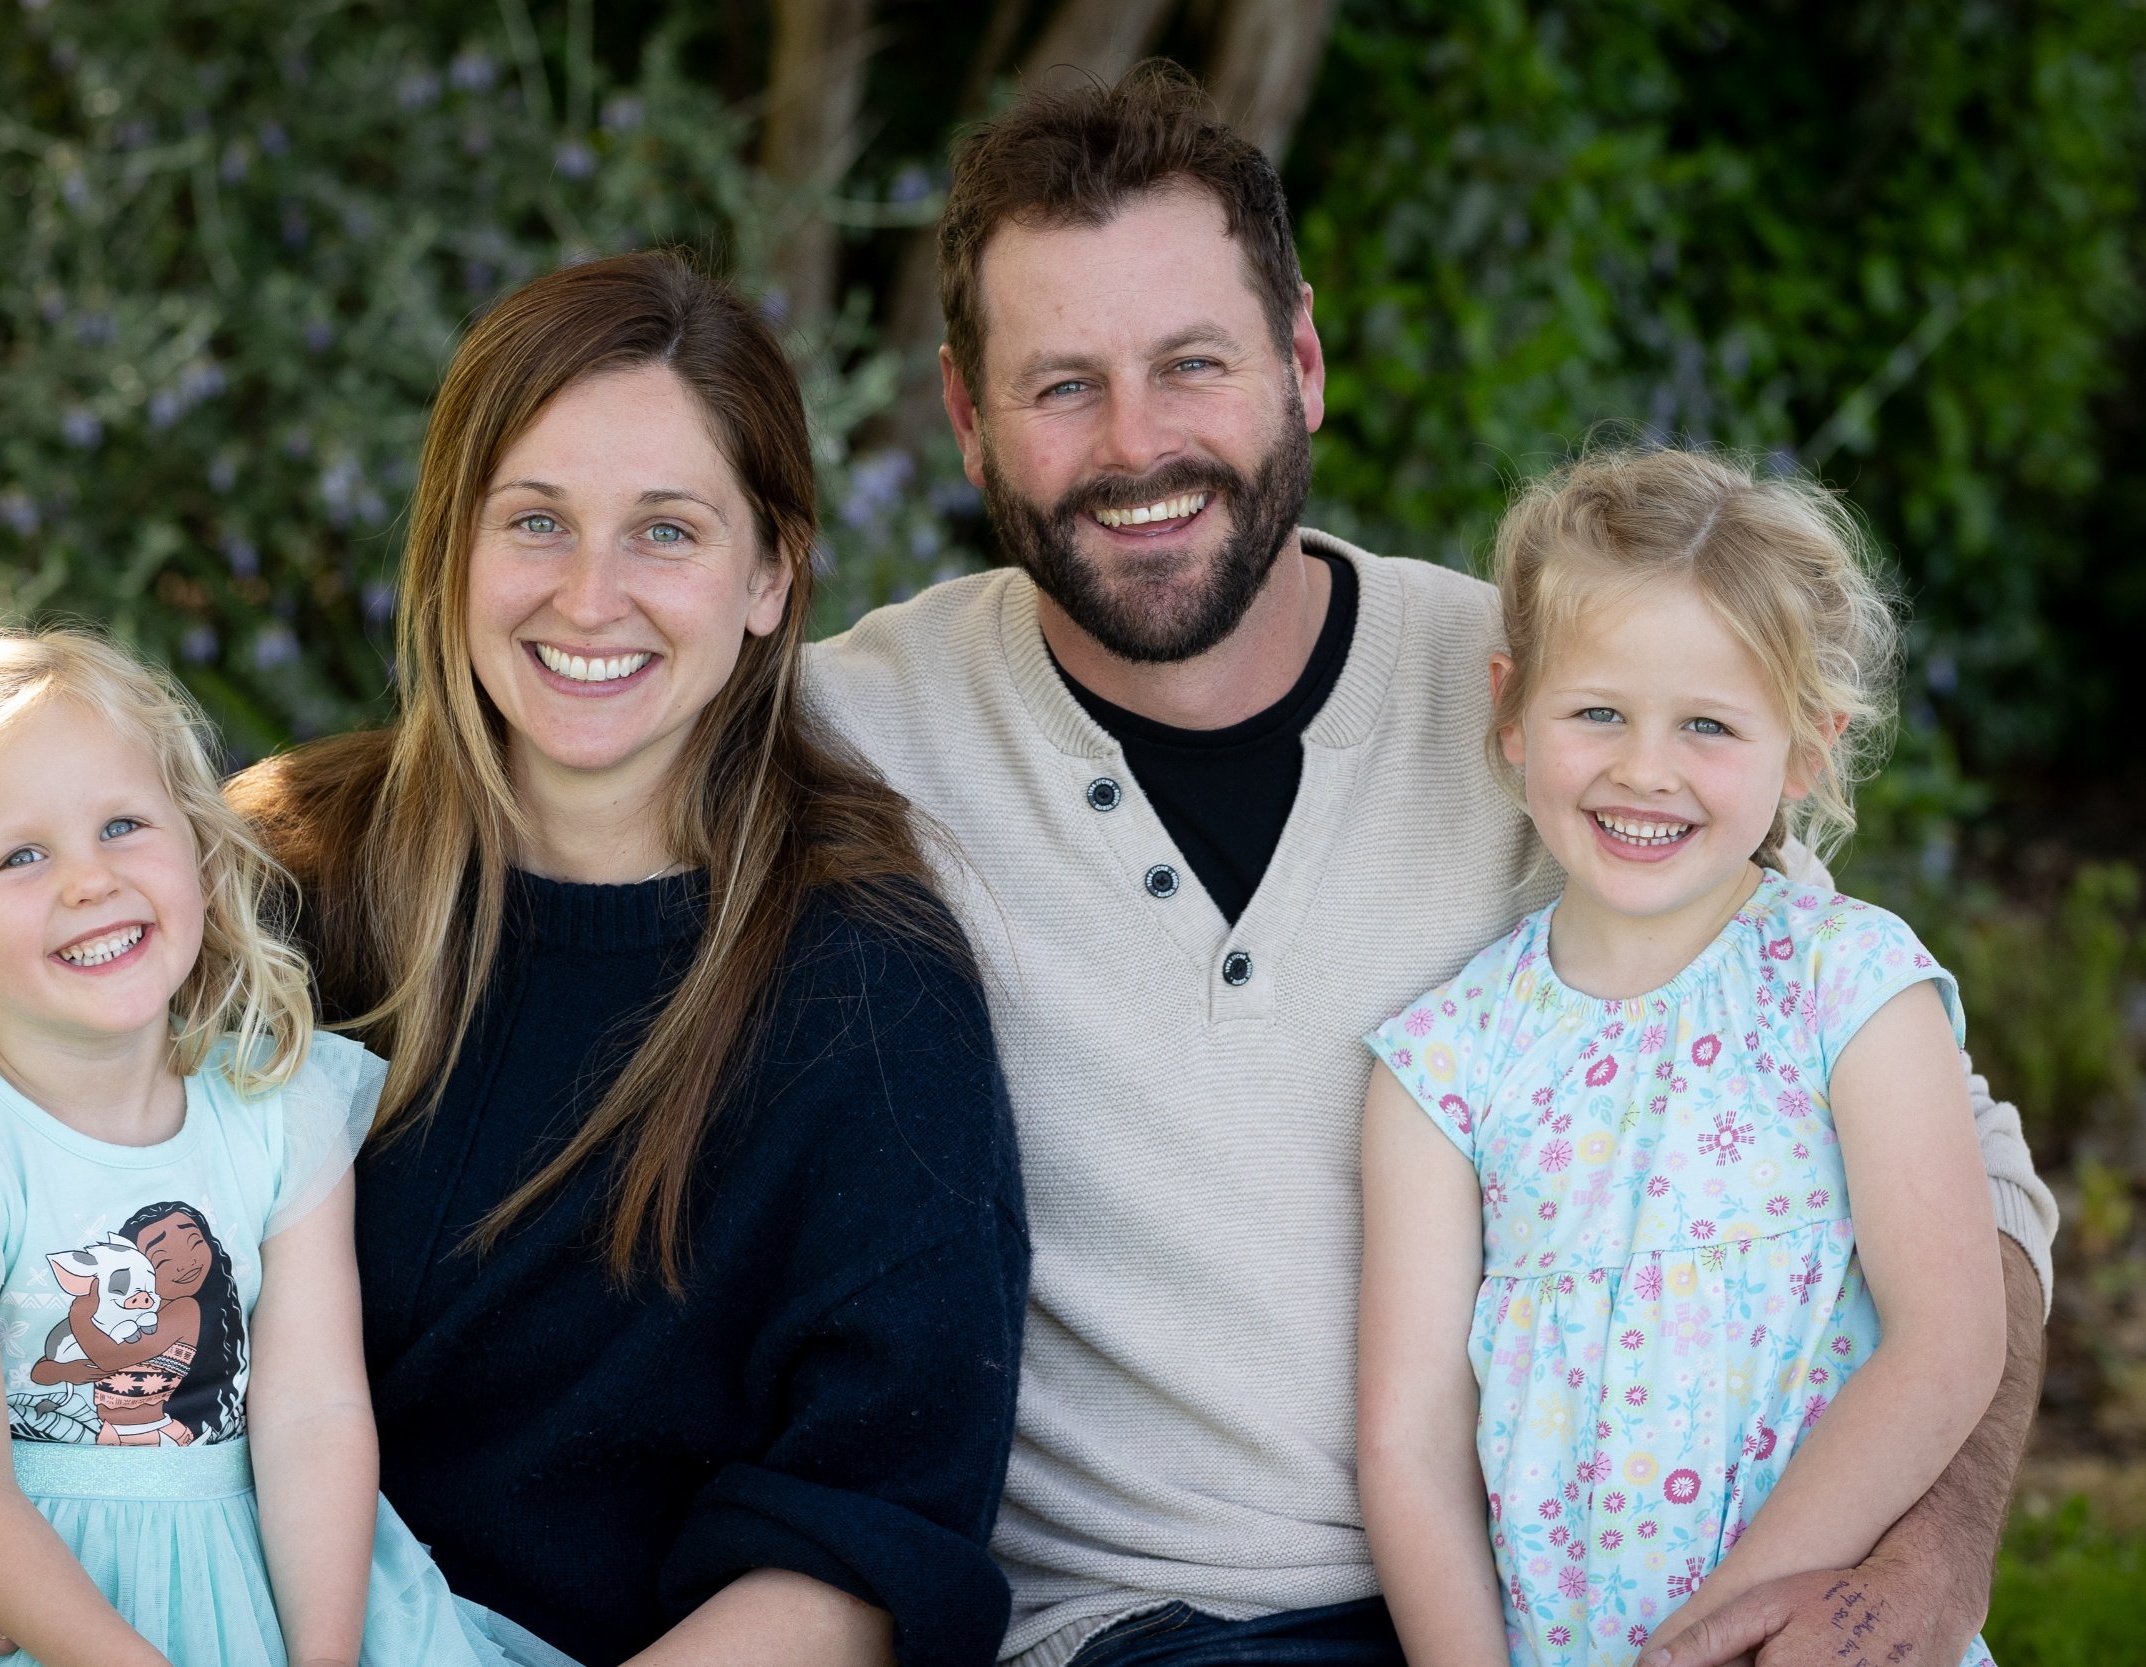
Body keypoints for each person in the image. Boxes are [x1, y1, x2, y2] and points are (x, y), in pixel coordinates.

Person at [800, 64, 2055, 1667]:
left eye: (1194, 363)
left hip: (1615, 1595)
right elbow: (525, 783)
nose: (1137, 445)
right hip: (1174, 1618)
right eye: (1062, 386)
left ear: (1303, 360)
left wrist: (1934, 1551)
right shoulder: (853, 727)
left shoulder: (1573, 711)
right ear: (968, 419)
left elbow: (1974, 1172)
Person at [0, 254, 1029, 1667]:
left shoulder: (868, 992)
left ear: (772, 575)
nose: (588, 593)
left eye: (667, 532)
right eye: (535, 521)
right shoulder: (267, 888)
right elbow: (21, 1284)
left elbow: (869, 1528)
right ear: (451, 547)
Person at [0, 627, 561, 1667]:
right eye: (22, 854)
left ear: (196, 847)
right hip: (38, 1598)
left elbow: (313, 1406)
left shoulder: (278, 1104)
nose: (89, 880)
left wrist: (325, 1652)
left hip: (268, 1570)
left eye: (122, 824)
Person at [1357, 448, 2006, 1666]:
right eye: (1596, 709)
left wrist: (1717, 1642)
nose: (1642, 767)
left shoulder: (1850, 987)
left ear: (1805, 750)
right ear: (1510, 711)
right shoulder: (1441, 1063)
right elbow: (1408, 1441)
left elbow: (1946, 1340)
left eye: (1707, 724)